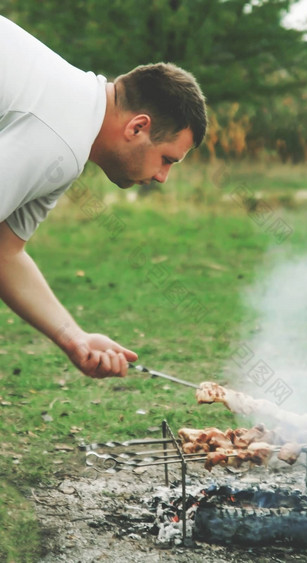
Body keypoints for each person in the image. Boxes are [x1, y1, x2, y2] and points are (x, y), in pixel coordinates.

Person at [0, 16, 207, 379]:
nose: (162, 177)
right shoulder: (61, 138)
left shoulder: (75, 122)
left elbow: (5, 252)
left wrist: (73, 337)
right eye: (166, 160)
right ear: (138, 127)